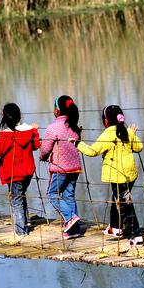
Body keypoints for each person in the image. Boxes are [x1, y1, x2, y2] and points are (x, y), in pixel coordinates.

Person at [75, 105, 144, 244]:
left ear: (106, 121)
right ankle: (115, 227)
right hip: (130, 174)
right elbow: (139, 147)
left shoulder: (107, 134)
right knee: (118, 199)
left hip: (117, 176)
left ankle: (136, 235)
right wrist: (132, 134)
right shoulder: (128, 132)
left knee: (125, 204)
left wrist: (77, 143)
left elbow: (92, 151)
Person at [0, 103, 40, 236]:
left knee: (16, 201)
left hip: (14, 174)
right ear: (19, 115)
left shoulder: (5, 136)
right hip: (28, 172)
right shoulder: (29, 131)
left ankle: (21, 230)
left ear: (4, 117)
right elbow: (36, 145)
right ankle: (26, 222)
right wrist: (35, 131)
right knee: (21, 196)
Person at [40, 95, 84, 238]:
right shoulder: (74, 127)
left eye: (54, 107)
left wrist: (42, 157)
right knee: (69, 195)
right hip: (75, 167)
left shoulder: (53, 128)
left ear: (57, 110)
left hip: (60, 168)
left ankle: (70, 218)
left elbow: (45, 148)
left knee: (52, 194)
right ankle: (74, 229)